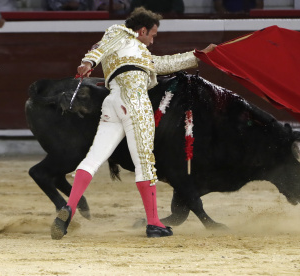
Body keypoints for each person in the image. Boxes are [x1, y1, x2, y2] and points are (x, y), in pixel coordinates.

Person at [51, 7, 216, 239]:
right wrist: (88, 63)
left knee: (94, 157)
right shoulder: (120, 33)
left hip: (113, 102)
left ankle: (70, 207)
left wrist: (199, 55)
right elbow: (100, 47)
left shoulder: (139, 53)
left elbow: (165, 63)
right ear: (141, 30)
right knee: (145, 162)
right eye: (152, 35)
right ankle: (154, 223)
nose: (152, 40)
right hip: (135, 101)